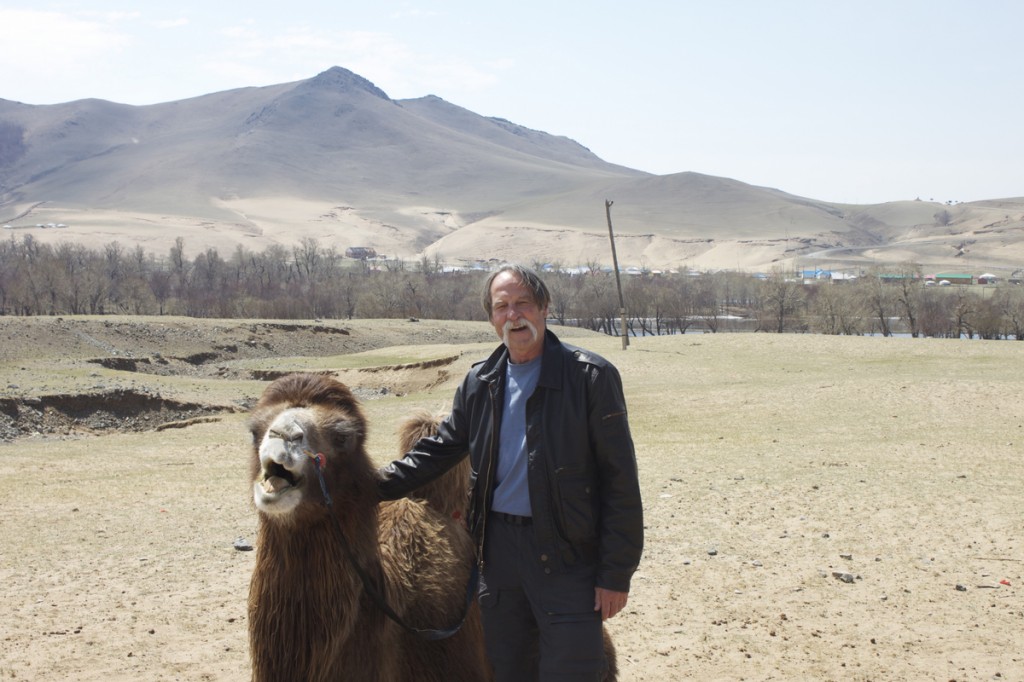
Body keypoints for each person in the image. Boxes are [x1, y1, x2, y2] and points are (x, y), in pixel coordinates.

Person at [377, 263, 644, 681]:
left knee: (573, 671)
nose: (513, 315)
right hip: (498, 556)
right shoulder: (480, 383)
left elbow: (621, 482)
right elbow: (438, 451)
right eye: (502, 306)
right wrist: (367, 486)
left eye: (523, 303)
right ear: (491, 318)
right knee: (507, 669)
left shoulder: (590, 377)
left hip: (567, 556)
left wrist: (616, 573)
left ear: (544, 308)